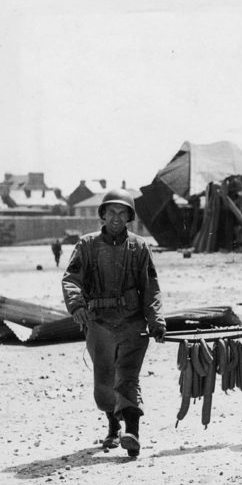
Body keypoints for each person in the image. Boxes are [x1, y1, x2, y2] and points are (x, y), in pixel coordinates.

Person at [62, 188, 166, 458]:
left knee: (129, 378)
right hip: (99, 324)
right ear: (103, 215)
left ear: (129, 217)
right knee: (105, 382)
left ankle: (133, 432)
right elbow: (71, 279)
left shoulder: (140, 246)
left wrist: (156, 320)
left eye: (122, 213)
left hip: (133, 322)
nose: (116, 217)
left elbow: (151, 287)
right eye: (111, 212)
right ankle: (113, 424)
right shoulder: (86, 245)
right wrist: (76, 306)